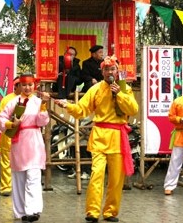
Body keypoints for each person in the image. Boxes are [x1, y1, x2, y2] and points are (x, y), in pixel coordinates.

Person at [55, 55, 138, 223]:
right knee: (96, 175)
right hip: (100, 135)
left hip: (117, 137)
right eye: (106, 69)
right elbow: (81, 109)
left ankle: (110, 212)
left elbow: (133, 109)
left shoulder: (125, 88)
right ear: (102, 72)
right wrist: (67, 106)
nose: (109, 72)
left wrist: (119, 94)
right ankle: (92, 212)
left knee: (116, 179)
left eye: (112, 69)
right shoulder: (95, 89)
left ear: (117, 71)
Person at [0, 73, 50, 222]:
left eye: (30, 85)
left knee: (33, 176)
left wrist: (44, 105)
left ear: (34, 86)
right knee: (19, 178)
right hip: (19, 143)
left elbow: (42, 122)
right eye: (24, 85)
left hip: (34, 141)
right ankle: (20, 212)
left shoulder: (39, 101)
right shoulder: (13, 102)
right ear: (19, 86)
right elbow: (0, 119)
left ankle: (33, 210)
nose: (27, 88)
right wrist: (11, 124)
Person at [0, 76, 21, 196]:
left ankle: (19, 186)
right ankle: (6, 187)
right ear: (15, 86)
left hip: (23, 135)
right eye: (21, 85)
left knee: (22, 161)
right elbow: (1, 118)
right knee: (6, 161)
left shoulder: (31, 99)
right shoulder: (6, 99)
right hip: (9, 134)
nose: (25, 87)